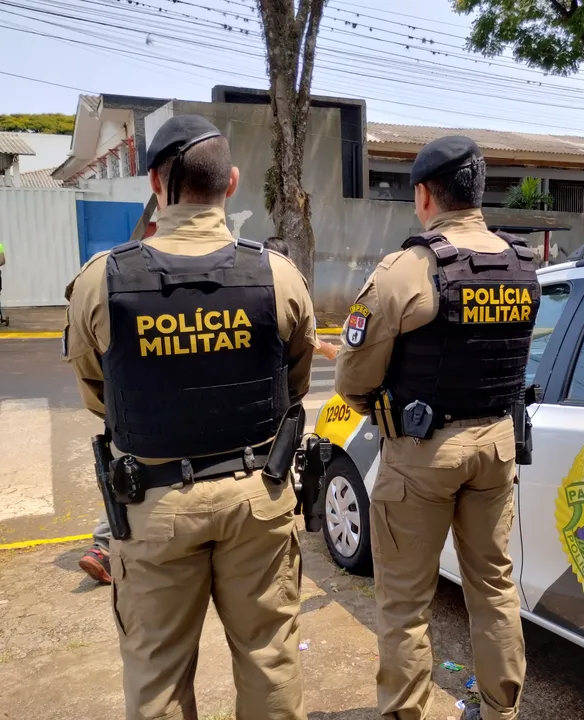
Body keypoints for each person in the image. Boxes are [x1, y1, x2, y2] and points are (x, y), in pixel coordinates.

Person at [63, 114, 316, 720]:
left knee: (157, 677)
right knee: (269, 660)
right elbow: (294, 384)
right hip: (257, 496)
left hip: (152, 505)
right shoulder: (279, 275)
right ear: (230, 183)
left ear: (154, 180)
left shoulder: (101, 280)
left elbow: (98, 395)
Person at [335, 135, 539, 720]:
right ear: (479, 191)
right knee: (495, 589)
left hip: (422, 454)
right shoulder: (523, 265)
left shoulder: (407, 269)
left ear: (425, 194)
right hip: (497, 445)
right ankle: (502, 712)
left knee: (404, 604)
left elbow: (353, 377)